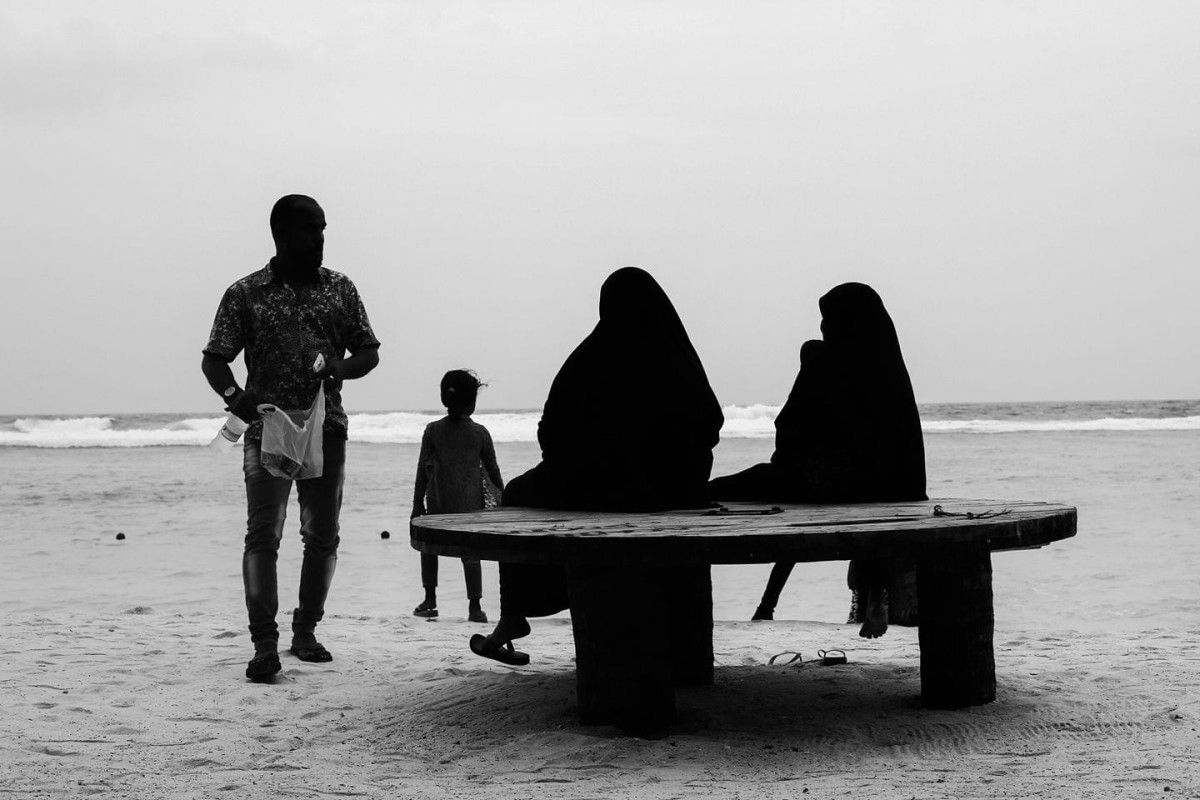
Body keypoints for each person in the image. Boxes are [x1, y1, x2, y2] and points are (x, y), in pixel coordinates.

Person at [469, 266, 725, 665]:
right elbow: (711, 422)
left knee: (518, 493)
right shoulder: (676, 353)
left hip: (598, 487)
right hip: (673, 491)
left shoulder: (592, 355)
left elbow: (552, 431)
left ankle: (514, 613)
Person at [201, 194, 380, 681]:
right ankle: (265, 643)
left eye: (323, 229)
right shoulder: (246, 293)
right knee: (264, 534)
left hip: (326, 429)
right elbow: (214, 359)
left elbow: (368, 352)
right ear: (281, 234)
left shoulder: (340, 288)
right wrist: (233, 394)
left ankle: (306, 631)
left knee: (321, 535)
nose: (319, 238)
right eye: (310, 229)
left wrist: (341, 367)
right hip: (267, 431)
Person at [708, 282, 926, 639]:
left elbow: (789, 426)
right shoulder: (886, 366)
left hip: (823, 483)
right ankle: (875, 593)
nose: (822, 327)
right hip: (885, 487)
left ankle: (767, 605)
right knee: (854, 508)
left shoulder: (821, 360)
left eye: (827, 320)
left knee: (726, 489)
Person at [411, 369, 505, 624]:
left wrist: (417, 504)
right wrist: (505, 504)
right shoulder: (480, 433)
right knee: (470, 554)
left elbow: (422, 471)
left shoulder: (433, 430)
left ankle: (429, 600)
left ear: (444, 398)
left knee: (428, 548)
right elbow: (494, 473)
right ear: (471, 402)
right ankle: (475, 607)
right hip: (470, 511)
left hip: (438, 507)